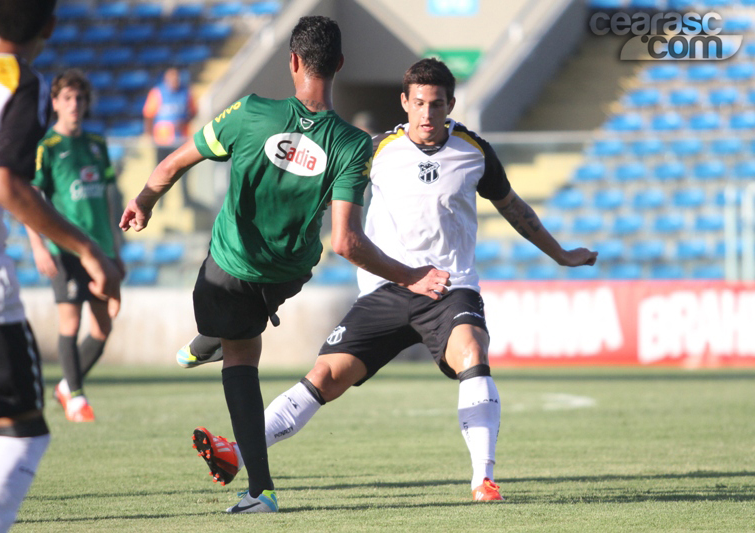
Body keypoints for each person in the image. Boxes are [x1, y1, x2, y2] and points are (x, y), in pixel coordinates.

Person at [187, 59, 598, 502]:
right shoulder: (374, 151)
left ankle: (483, 478)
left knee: (472, 352)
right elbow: (323, 194)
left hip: (448, 287)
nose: (426, 114)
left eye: (436, 104)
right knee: (325, 376)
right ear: (404, 102)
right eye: (418, 103)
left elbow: (515, 208)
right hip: (386, 289)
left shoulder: (474, 151)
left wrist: (560, 254)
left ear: (451, 105)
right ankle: (238, 454)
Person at [120, 17, 450, 514]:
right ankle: (208, 344)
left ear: (292, 62)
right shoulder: (355, 144)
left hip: (229, 269)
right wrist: (412, 275)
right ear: (339, 65)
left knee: (238, 356)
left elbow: (172, 165)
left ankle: (260, 490)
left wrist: (143, 200)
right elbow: (346, 241)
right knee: (237, 334)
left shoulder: (250, 113)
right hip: (288, 275)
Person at [0, 1, 121, 531]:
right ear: (50, 26)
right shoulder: (20, 84)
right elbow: (6, 184)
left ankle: (73, 386)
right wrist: (90, 249)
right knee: (23, 432)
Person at [25, 69, 124, 423]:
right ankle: (78, 398)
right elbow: (31, 198)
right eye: (67, 98)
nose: (75, 105)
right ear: (55, 103)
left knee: (103, 328)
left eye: (80, 98)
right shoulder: (47, 147)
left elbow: (108, 198)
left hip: (100, 250)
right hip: (64, 250)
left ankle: (67, 385)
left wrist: (115, 247)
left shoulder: (96, 144)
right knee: (70, 320)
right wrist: (37, 245)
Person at [142, 67, 196, 163]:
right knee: (161, 167)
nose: (174, 81)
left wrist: (184, 121)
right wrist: (149, 134)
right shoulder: (157, 92)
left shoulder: (185, 92)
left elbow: (193, 112)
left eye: (176, 78)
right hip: (162, 140)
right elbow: (148, 114)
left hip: (181, 138)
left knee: (184, 166)